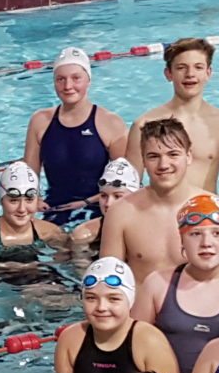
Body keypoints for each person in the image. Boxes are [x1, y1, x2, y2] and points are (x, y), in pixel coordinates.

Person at [55, 258, 179, 373]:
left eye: (113, 299)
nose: (101, 307)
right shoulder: (71, 338)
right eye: (91, 298)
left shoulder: (149, 341)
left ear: (130, 301)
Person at [135, 192, 219, 373]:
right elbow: (132, 346)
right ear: (182, 242)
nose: (206, 243)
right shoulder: (158, 284)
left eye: (217, 233)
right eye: (195, 234)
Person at [25, 46, 127, 227]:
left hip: (99, 209)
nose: (68, 86)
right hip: (54, 209)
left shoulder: (110, 122)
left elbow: (126, 182)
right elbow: (28, 176)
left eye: (76, 78)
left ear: (88, 80)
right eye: (60, 79)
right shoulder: (40, 121)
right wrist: (36, 200)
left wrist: (86, 202)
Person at [128, 38, 219, 194]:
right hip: (160, 214)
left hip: (207, 215)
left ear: (208, 73)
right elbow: (129, 186)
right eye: (181, 68)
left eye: (198, 67)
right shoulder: (144, 124)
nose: (190, 74)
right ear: (168, 74)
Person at [101, 119, 203, 285]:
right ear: (143, 160)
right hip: (140, 310)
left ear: (189, 156)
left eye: (173, 154)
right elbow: (109, 284)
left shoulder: (216, 211)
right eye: (154, 156)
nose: (163, 165)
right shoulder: (121, 213)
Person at [70, 156, 139, 254]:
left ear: (135, 198)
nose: (108, 203)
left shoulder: (149, 230)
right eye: (103, 196)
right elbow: (80, 267)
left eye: (117, 196)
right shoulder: (84, 234)